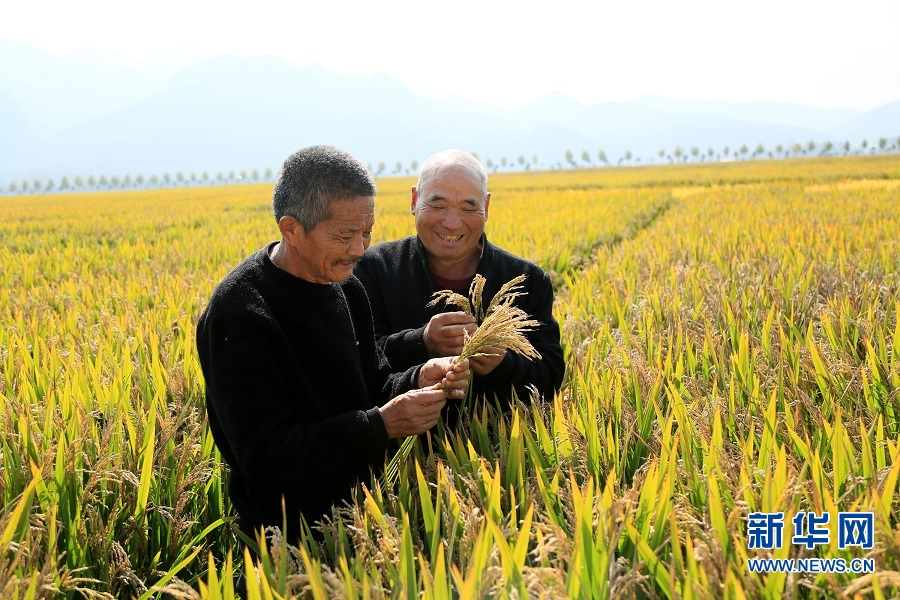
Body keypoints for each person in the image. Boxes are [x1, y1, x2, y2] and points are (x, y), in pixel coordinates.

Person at [196, 145, 470, 541]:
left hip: (365, 516)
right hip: (289, 538)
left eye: (366, 232)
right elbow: (264, 456)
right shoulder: (241, 314)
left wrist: (417, 379)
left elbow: (370, 384)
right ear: (291, 229)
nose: (359, 249)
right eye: (344, 235)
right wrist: (380, 426)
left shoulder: (347, 288)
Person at [354, 149, 563, 415]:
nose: (452, 223)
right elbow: (355, 364)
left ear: (486, 207)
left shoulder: (526, 281)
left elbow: (551, 376)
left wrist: (502, 363)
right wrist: (421, 342)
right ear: (415, 200)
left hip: (499, 438)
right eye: (438, 205)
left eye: (468, 207)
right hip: (403, 439)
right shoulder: (372, 268)